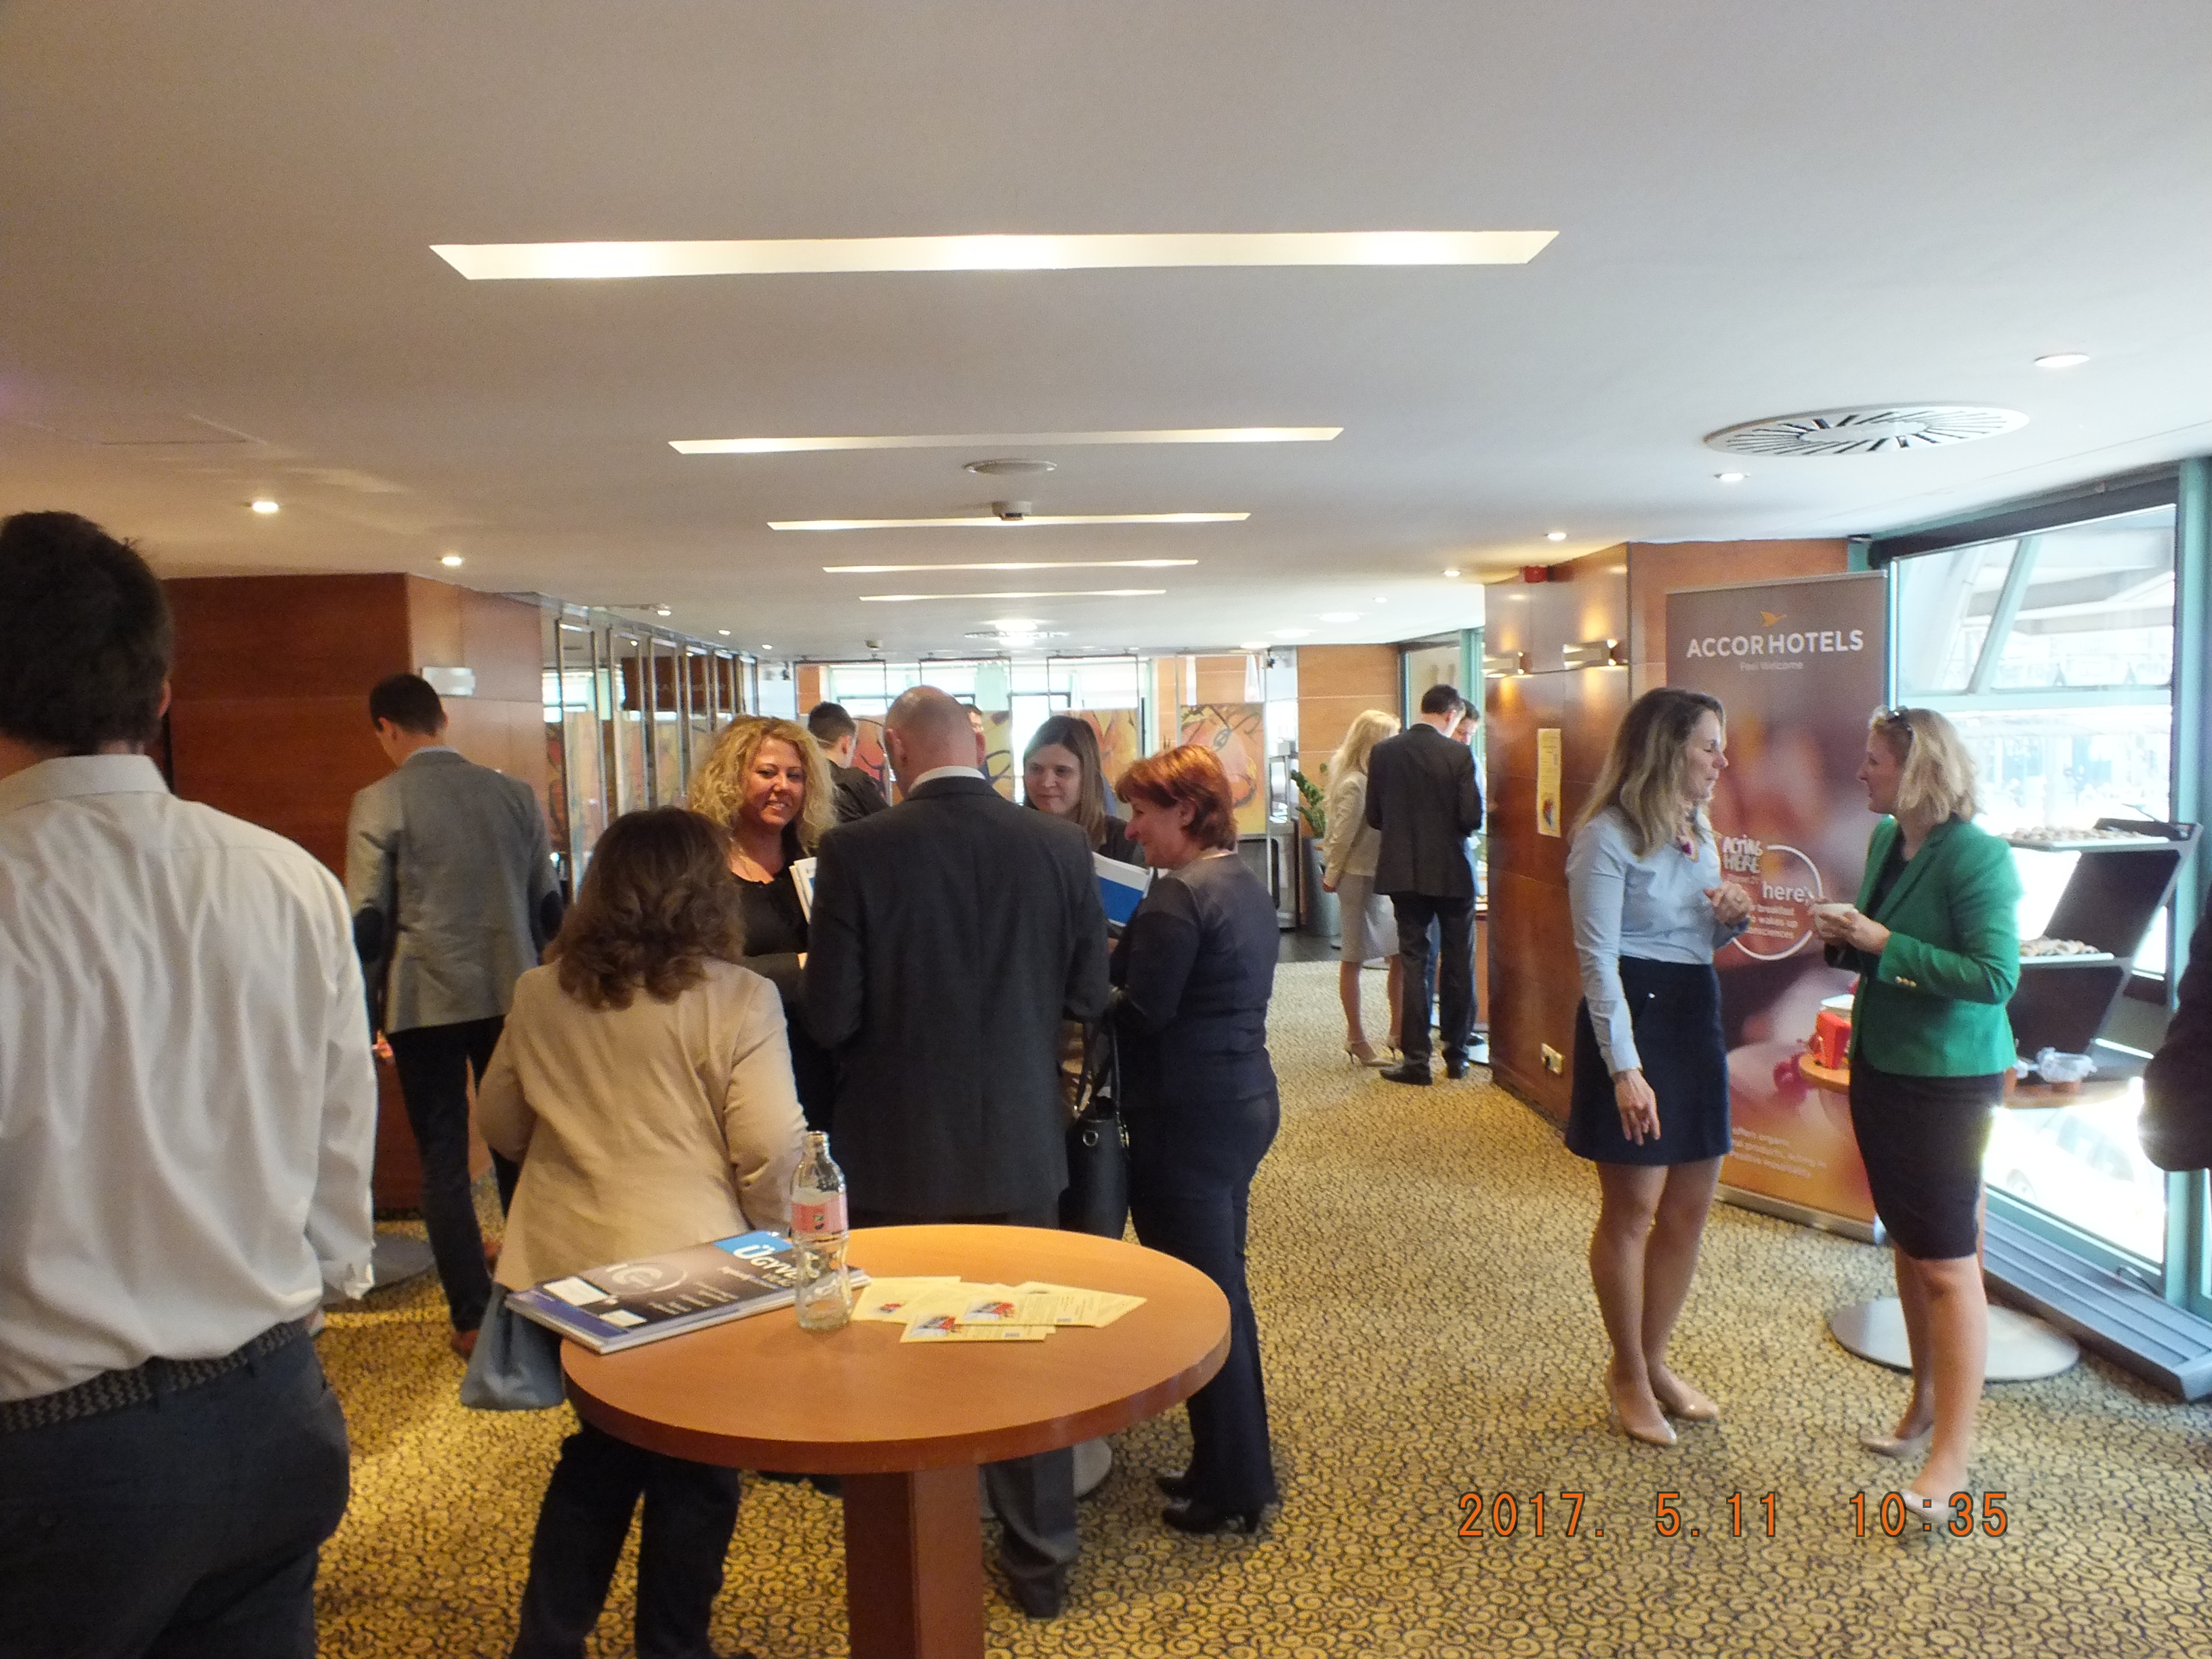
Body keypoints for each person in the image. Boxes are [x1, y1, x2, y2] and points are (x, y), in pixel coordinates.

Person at [0, 510, 375, 1656]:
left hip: (51, 1447)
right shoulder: (287, 877)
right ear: (162, 694)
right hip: (274, 1404)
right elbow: (337, 1146)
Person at [804, 686, 1109, 1620]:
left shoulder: (854, 852)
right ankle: (1040, 1563)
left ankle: (915, 1551)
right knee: (1024, 1351)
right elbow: (1087, 995)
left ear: (895, 749)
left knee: (903, 1351)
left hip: (896, 1149)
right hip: (1021, 1140)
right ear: (976, 747)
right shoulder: (1058, 846)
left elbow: (832, 1015)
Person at [478, 806, 804, 1659]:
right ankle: (671, 1646)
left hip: (569, 1271)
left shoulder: (540, 992)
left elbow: (501, 1125)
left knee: (601, 1456)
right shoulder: (740, 998)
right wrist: (775, 1242)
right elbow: (771, 1146)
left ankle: (548, 1642)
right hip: (697, 1269)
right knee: (696, 1473)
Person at [1811, 707, 2020, 1521]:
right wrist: (1845, 934)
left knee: (1945, 1263)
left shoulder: (1978, 856)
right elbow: (1877, 947)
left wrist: (1880, 942)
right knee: (1910, 1245)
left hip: (1949, 1080)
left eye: (1874, 761)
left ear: (1918, 769)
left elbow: (1995, 977)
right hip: (1882, 1064)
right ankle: (1925, 1405)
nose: (1860, 772)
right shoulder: (1886, 841)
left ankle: (1952, 1460)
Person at [346, 671, 560, 1355]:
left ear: (385, 728)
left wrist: (364, 1010)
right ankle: (537, 1296)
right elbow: (548, 906)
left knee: (442, 1155)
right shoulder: (513, 795)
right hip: (510, 992)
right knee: (516, 1144)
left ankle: (470, 1315)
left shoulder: (379, 801)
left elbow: (368, 922)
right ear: (442, 719)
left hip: (423, 1001)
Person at [1564, 689, 1753, 1448]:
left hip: (1691, 1011)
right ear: (1667, 749)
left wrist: (1729, 920)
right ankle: (1627, 1374)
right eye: (1709, 745)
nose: (1722, 760)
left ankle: (1653, 1360)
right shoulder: (1605, 837)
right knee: (1634, 1208)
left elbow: (1694, 943)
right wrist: (1625, 1069)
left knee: (1688, 1207)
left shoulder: (1699, 830)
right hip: (1631, 1018)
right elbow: (1597, 962)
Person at [1111, 746, 1283, 1534]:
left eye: (1143, 812)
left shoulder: (1177, 897)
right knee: (1225, 1289)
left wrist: (1084, 983)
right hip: (1243, 1100)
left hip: (1185, 1117)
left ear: (1185, 811)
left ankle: (1235, 1481)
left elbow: (1142, 1015)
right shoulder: (1240, 880)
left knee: (1207, 1301)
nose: (1131, 827)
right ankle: (1228, 1463)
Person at [691, 714, 839, 1130]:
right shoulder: (700, 870)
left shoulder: (822, 861)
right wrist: (804, 965)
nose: (783, 786)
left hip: (818, 1059)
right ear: (730, 778)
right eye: (767, 773)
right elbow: (700, 974)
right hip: (736, 1061)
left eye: (795, 776)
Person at [1366, 683, 1485, 1084]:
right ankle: (1457, 1056)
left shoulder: (1384, 752)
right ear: (1452, 716)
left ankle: (1417, 1061)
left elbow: (1374, 817)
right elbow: (1472, 818)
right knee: (1459, 962)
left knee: (1415, 962)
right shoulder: (1460, 755)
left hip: (1403, 873)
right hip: (1453, 872)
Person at [1319, 709, 1404, 1065]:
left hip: (1383, 878)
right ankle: (1356, 1038)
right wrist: (1331, 876)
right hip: (1356, 878)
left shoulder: (1376, 779)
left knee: (1399, 955)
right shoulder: (1355, 782)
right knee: (1353, 957)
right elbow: (1341, 837)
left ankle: (1398, 1032)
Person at [1023, 712, 1141, 864]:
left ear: (1088, 777)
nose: (1046, 782)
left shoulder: (1124, 843)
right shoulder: (1010, 838)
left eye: (1062, 771)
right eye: (1036, 769)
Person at [807, 700, 889, 823]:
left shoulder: (799, 778)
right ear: (845, 744)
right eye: (853, 746)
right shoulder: (855, 781)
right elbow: (889, 824)